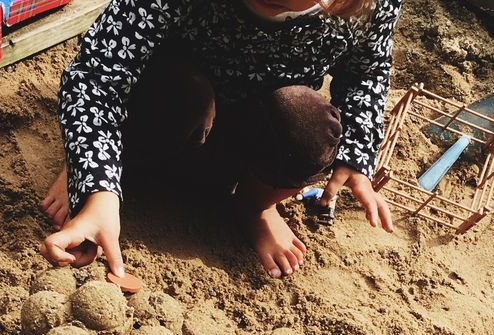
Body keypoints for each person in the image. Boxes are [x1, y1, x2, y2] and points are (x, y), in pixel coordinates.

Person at [40, 0, 399, 281]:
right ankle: (100, 167)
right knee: (177, 99)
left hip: (259, 120)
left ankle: (254, 206)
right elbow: (96, 79)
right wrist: (95, 185)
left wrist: (356, 156)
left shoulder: (369, 5)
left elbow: (367, 72)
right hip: (167, 103)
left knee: (309, 127)